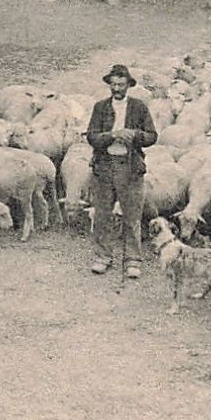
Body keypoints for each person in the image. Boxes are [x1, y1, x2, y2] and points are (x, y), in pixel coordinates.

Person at [85, 64, 157, 280]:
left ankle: (133, 260)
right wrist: (111, 136)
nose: (116, 89)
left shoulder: (139, 107)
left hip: (130, 167)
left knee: (132, 215)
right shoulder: (100, 108)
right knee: (102, 214)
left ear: (128, 85)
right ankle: (103, 256)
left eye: (121, 85)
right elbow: (91, 136)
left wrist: (134, 135)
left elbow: (152, 136)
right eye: (113, 84)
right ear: (109, 85)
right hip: (105, 166)